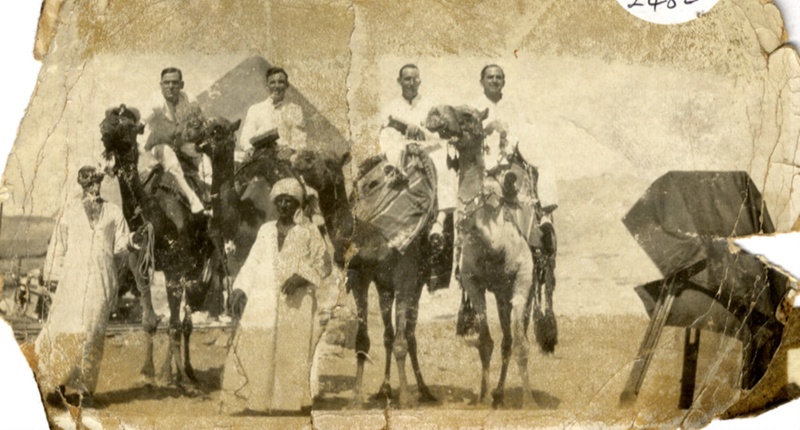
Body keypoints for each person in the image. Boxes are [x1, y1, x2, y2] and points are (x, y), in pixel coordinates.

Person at [220, 178, 332, 414]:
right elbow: (253, 262)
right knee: (258, 349)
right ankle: (256, 402)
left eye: (289, 201)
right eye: (279, 200)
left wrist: (301, 276)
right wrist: (240, 288)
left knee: (292, 354)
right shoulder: (265, 230)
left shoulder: (309, 231)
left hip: (296, 305)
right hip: (263, 302)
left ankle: (287, 405)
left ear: (297, 204)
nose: (283, 205)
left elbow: (324, 264)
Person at [34, 166, 138, 407]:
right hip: (72, 280)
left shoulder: (113, 212)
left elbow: (120, 243)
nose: (94, 188)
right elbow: (58, 245)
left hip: (100, 281)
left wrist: (133, 240)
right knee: (67, 330)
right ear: (82, 186)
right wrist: (52, 276)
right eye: (89, 184)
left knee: (92, 332)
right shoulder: (69, 211)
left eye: (97, 183)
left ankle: (85, 391)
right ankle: (58, 386)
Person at [379, 64, 457, 242]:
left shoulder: (430, 105)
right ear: (399, 81)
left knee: (445, 168)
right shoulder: (391, 106)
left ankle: (440, 220)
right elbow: (386, 131)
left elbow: (440, 133)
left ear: (419, 80)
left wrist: (423, 133)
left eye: (415, 79)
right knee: (387, 139)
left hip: (427, 147)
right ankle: (395, 169)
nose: (411, 83)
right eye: (407, 79)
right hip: (402, 147)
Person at [472, 64, 558, 223]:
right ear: (481, 82)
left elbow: (522, 130)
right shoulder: (474, 108)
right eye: (490, 77)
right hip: (485, 154)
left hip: (512, 151)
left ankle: (545, 214)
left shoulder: (514, 107)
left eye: (498, 77)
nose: (494, 80)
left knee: (545, 163)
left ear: (504, 82)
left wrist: (511, 144)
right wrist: (489, 128)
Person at [144, 67, 208, 214]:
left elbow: (201, 120)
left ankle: (210, 198)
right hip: (157, 146)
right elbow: (141, 123)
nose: (170, 86)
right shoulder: (155, 101)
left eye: (174, 82)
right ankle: (192, 199)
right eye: (166, 83)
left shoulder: (189, 99)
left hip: (181, 144)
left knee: (204, 160)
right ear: (160, 85)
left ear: (182, 84)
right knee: (170, 158)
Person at [237, 67, 307, 165]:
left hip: (284, 157)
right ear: (267, 86)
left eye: (281, 82)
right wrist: (248, 149)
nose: (277, 86)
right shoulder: (255, 109)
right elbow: (246, 135)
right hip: (259, 156)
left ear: (287, 85)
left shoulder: (295, 109)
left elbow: (299, 137)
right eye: (272, 82)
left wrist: (291, 150)